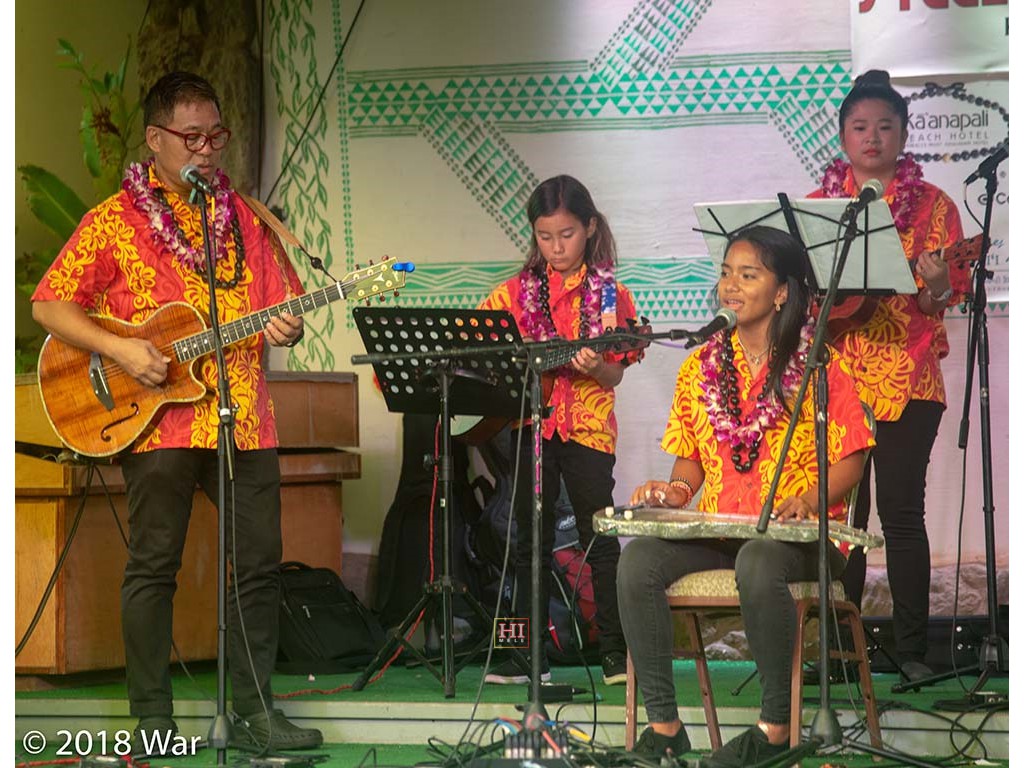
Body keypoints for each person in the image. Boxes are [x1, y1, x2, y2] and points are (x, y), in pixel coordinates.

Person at [31, 72, 322, 752]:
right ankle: (153, 722)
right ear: (155, 139)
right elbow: (49, 304)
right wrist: (120, 350)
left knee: (258, 564)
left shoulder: (247, 218)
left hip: (243, 416)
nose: (207, 149)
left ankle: (256, 715)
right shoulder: (113, 220)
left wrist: (288, 326)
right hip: (154, 417)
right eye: (192, 137)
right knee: (154, 563)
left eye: (215, 135)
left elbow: (282, 306)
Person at [618, 226, 874, 765]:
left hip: (799, 538)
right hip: (722, 530)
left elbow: (852, 456)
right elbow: (690, 457)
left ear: (781, 292)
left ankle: (775, 729)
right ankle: (664, 727)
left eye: (748, 275)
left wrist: (809, 498)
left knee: (757, 560)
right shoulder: (701, 366)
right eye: (726, 273)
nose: (730, 286)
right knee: (638, 559)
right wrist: (675, 491)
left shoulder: (819, 365)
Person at [809, 69, 965, 683]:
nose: (872, 137)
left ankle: (913, 652)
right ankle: (838, 653)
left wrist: (937, 283)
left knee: (900, 514)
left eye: (884, 126)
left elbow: (934, 302)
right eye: (859, 127)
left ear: (903, 134)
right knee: (841, 516)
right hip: (838, 380)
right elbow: (806, 294)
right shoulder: (819, 207)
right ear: (843, 137)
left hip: (909, 379)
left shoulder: (934, 207)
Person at [478, 175, 640, 686]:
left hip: (588, 429)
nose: (556, 247)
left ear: (589, 228)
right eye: (544, 236)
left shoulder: (611, 294)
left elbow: (616, 373)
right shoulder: (512, 294)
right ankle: (528, 656)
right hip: (532, 423)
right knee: (529, 540)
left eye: (566, 235)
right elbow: (483, 354)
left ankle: (614, 652)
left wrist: (597, 367)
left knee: (600, 535)